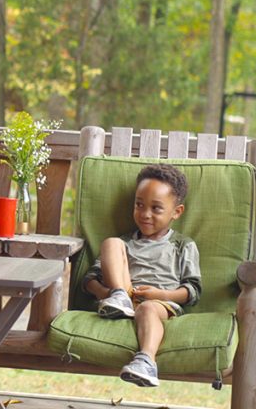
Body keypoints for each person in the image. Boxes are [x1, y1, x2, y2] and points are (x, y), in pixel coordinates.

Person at [83, 163, 202, 387]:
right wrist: (107, 293)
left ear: (176, 212)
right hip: (123, 298)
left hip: (160, 303)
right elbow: (90, 279)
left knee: (148, 308)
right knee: (110, 242)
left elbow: (192, 291)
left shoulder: (182, 245)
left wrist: (161, 295)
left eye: (156, 208)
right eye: (139, 205)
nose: (145, 214)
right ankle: (118, 297)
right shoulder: (125, 242)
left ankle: (146, 361)